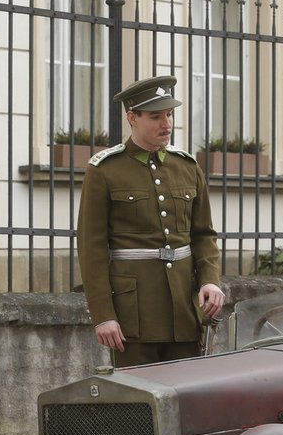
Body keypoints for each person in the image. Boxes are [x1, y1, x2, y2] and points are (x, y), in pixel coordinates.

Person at [77, 75, 225, 366]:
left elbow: (203, 235)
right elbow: (91, 249)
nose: (166, 124)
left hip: (184, 310)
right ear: (132, 117)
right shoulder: (104, 170)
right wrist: (103, 315)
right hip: (133, 315)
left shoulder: (187, 168)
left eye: (169, 114)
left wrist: (210, 280)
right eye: (156, 116)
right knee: (138, 404)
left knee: (187, 400)